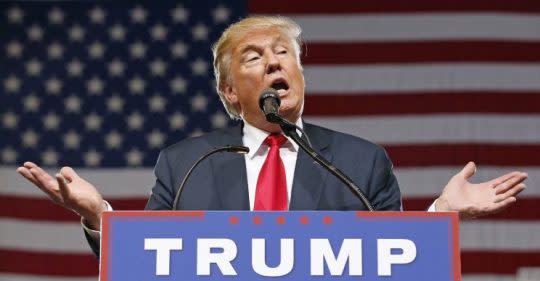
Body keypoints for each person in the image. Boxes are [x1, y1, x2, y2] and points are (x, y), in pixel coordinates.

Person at [17, 16, 527, 255]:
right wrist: (98, 218)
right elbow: (151, 258)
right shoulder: (185, 162)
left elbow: (390, 259)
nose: (275, 62)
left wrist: (442, 216)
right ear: (230, 92)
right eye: (254, 57)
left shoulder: (361, 161)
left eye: (284, 53)